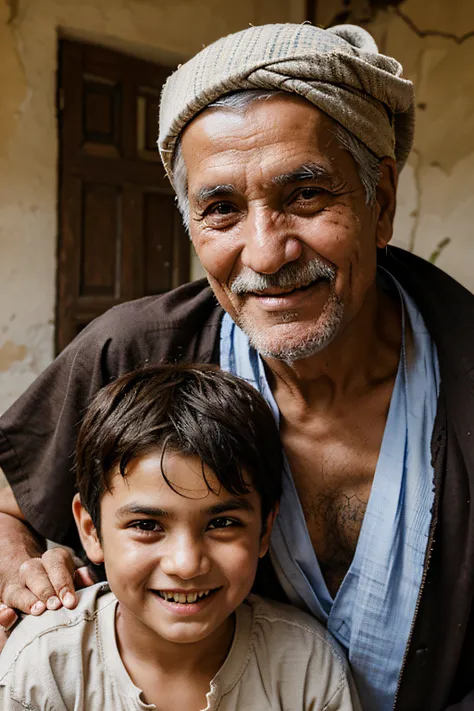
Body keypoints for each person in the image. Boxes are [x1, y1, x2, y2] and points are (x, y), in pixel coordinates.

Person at [0, 21, 473, 711]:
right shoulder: (133, 352)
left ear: (382, 202)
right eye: (221, 209)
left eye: (306, 195)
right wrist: (24, 570)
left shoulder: (462, 372)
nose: (266, 251)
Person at [0, 364, 360, 711]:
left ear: (265, 529)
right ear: (92, 531)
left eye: (221, 523)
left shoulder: (307, 668)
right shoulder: (44, 666)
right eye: (146, 525)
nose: (186, 564)